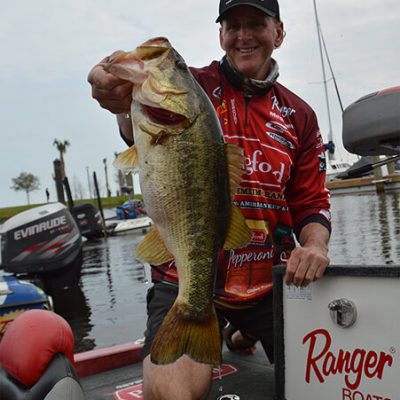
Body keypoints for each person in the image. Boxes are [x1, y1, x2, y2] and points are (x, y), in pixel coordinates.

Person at [88, 0, 331, 398]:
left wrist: (316, 246)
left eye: (256, 24)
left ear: (279, 33)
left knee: (328, 382)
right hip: (183, 273)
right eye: (233, 25)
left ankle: (240, 329)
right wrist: (112, 85)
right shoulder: (192, 88)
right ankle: (221, 326)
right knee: (173, 394)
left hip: (267, 283)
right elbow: (128, 110)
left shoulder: (299, 115)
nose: (243, 35)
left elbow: (311, 200)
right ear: (220, 35)